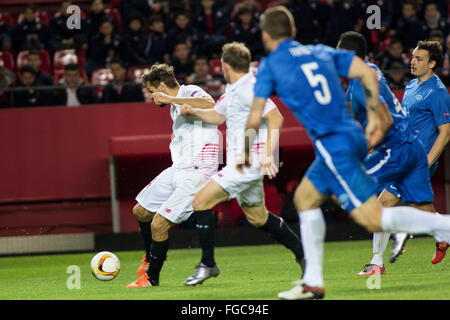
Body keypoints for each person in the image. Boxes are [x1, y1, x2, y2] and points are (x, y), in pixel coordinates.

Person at [242, 6, 450, 300]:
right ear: (293, 32)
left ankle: (444, 226)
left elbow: (254, 118)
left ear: (265, 35)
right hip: (349, 138)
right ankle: (313, 281)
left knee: (372, 216)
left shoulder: (270, 65)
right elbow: (366, 70)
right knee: (305, 198)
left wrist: (245, 152)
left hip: (335, 144)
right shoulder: (319, 52)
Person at [180, 42, 305, 286]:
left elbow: (276, 117)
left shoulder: (250, 88)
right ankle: (303, 254)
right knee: (258, 218)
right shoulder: (234, 89)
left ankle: (208, 264)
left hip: (247, 164)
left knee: (200, 201)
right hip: (243, 164)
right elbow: (217, 115)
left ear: (226, 66)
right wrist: (192, 112)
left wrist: (269, 154)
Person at [336, 31, 436, 275]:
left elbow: (384, 119)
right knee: (419, 210)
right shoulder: (365, 73)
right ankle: (378, 262)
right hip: (405, 146)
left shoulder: (362, 81)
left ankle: (378, 262)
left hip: (399, 149)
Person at [126, 63, 219, 288]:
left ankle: (151, 279)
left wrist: (171, 100)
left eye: (151, 91)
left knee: (159, 224)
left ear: (160, 85)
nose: (150, 96)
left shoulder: (189, 91)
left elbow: (210, 103)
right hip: (179, 168)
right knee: (140, 211)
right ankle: (150, 257)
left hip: (199, 171)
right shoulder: (173, 106)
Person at [384, 41, 450, 264]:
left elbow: (446, 132)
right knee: (420, 208)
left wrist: (428, 161)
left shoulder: (438, 92)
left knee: (383, 203)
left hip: (418, 161)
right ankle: (443, 236)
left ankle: (377, 264)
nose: (412, 62)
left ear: (432, 63)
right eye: (412, 57)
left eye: (418, 58)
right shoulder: (411, 86)